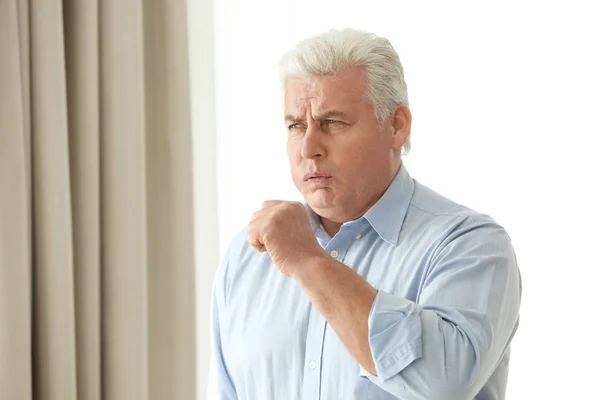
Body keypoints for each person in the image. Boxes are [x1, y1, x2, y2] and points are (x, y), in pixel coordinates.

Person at [210, 28, 521, 400]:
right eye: (296, 125)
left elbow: (442, 387)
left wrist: (308, 261)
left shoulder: (470, 246)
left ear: (397, 125)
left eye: (333, 122)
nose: (309, 147)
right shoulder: (247, 257)